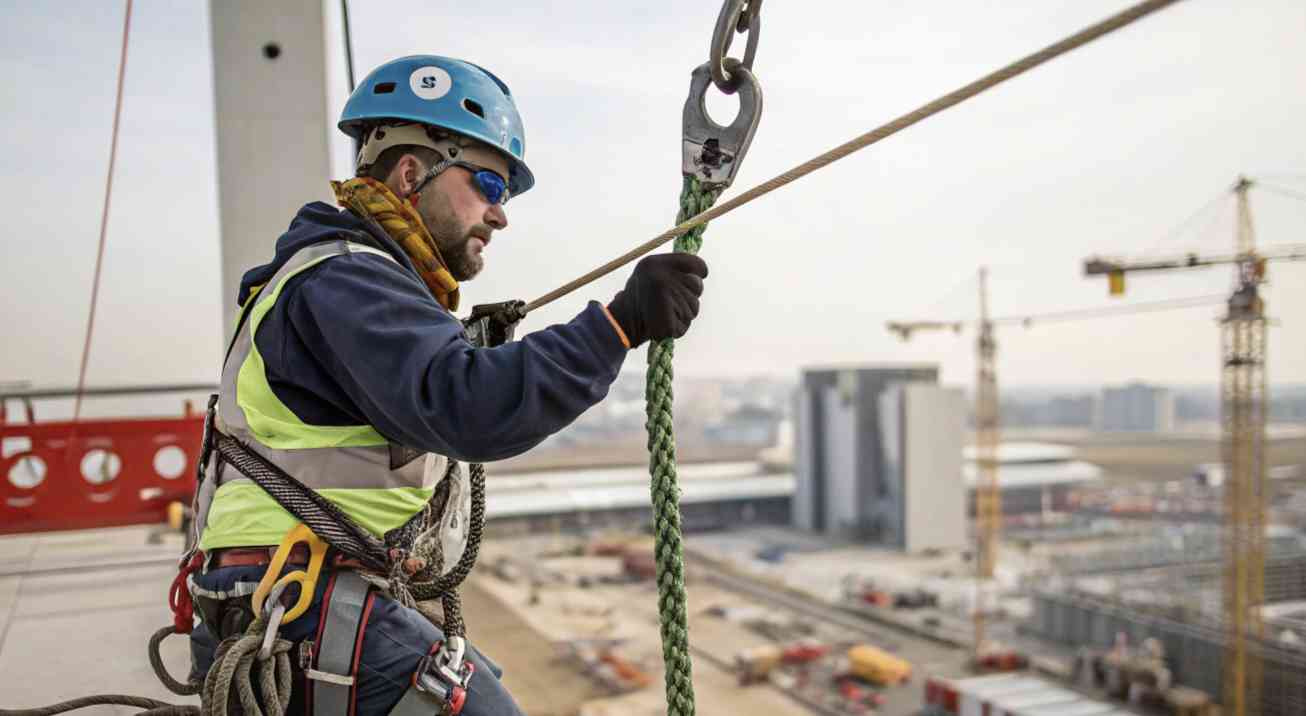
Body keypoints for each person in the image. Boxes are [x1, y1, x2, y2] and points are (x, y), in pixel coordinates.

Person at [185, 55, 709, 716]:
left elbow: (415, 398)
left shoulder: (341, 279)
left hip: (283, 595)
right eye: (489, 183)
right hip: (297, 598)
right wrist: (616, 327)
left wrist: (472, 349)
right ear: (411, 173)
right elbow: (468, 406)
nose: (499, 214)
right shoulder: (348, 277)